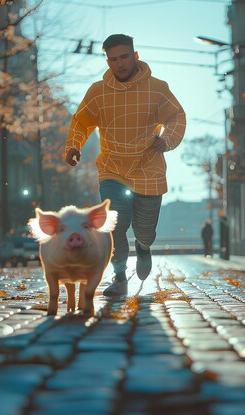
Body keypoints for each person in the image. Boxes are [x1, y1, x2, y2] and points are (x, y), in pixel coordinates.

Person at [64, 34, 186, 296]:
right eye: (113, 59)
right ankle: (119, 277)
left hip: (148, 170)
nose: (119, 64)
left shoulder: (157, 88)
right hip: (112, 170)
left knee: (144, 230)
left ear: (136, 56)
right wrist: (73, 146)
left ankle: (143, 247)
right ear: (107, 61)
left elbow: (176, 117)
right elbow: (82, 121)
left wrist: (167, 140)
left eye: (124, 57)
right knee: (115, 224)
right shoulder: (97, 92)